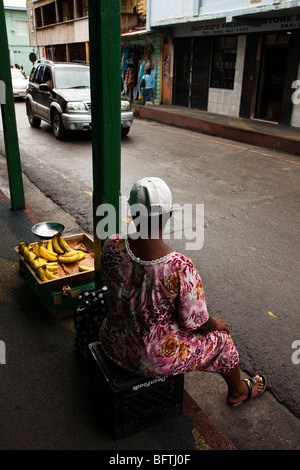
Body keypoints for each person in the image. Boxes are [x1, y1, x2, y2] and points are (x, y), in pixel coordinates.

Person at [99, 177, 267, 407]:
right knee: (222, 339)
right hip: (151, 362)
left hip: (113, 341)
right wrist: (216, 324)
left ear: (133, 212)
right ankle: (237, 391)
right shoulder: (179, 266)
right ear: (168, 216)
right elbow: (196, 323)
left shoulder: (112, 244)